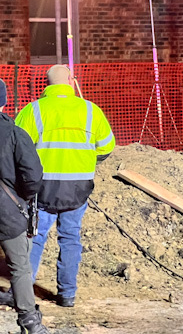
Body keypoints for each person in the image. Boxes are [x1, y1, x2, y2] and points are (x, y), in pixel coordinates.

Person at [14, 65, 115, 308]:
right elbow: (107, 147)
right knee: (70, 238)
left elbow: (17, 147)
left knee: (35, 238)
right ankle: (67, 295)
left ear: (46, 84)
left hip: (43, 189)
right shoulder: (90, 110)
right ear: (71, 80)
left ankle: (25, 293)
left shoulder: (34, 110)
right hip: (78, 189)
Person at [0, 79, 50, 333]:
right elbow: (32, 175)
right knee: (19, 267)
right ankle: (29, 322)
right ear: (4, 102)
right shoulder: (16, 133)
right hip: (8, 212)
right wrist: (23, 198)